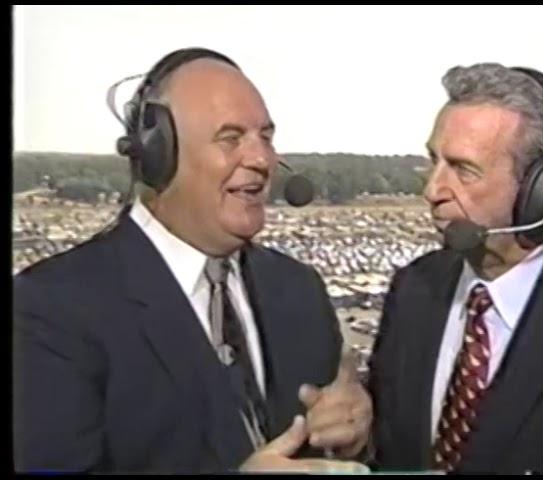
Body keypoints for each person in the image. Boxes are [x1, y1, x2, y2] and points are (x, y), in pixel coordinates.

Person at [13, 47, 371, 474]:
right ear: (157, 154)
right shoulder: (51, 308)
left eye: (266, 137)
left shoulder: (297, 289)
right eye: (231, 138)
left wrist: (353, 438)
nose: (262, 160)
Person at [368, 63, 543, 474]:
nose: (432, 190)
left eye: (463, 169)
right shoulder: (413, 288)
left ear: (538, 190)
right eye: (433, 161)